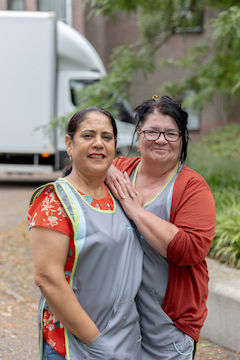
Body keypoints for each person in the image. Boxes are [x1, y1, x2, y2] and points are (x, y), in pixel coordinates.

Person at [28, 107, 143, 360]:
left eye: (107, 137)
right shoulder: (54, 201)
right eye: (88, 136)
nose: (98, 144)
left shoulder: (120, 195)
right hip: (75, 345)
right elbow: (48, 279)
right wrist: (96, 342)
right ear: (69, 144)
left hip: (123, 342)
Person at [106, 95, 216, 360]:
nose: (161, 139)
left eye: (171, 133)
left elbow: (190, 249)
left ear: (182, 138)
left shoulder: (192, 187)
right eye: (152, 131)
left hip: (167, 323)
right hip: (117, 322)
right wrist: (105, 167)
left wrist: (136, 211)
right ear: (138, 134)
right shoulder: (121, 171)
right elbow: (77, 169)